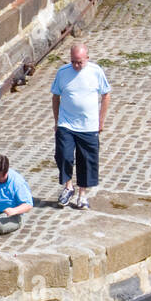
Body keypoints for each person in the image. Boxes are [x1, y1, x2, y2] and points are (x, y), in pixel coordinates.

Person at [51, 42, 111, 210]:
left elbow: (106, 95)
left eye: (80, 62)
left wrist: (101, 120)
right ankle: (68, 187)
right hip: (66, 123)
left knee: (86, 160)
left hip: (89, 125)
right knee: (64, 155)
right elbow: (56, 97)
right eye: (74, 62)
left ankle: (82, 194)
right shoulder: (63, 73)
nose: (76, 65)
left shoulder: (96, 72)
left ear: (87, 58)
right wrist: (57, 121)